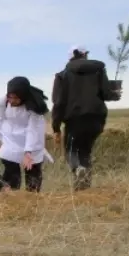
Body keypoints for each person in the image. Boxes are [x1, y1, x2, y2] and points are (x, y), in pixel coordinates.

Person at [51, 46, 111, 190]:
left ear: (71, 57)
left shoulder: (62, 75)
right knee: (86, 151)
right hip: (97, 119)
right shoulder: (99, 69)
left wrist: (56, 127)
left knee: (71, 151)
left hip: (75, 120)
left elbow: (58, 103)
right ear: (85, 55)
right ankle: (83, 190)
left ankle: (77, 169)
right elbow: (107, 94)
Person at [0, 77, 52, 192]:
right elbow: (0, 118)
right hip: (10, 140)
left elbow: (32, 130)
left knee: (32, 171)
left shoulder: (33, 108)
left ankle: (32, 199)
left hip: (32, 141)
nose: (12, 101)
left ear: (23, 96)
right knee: (11, 169)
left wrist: (28, 152)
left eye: (15, 98)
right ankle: (10, 197)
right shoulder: (4, 101)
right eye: (10, 97)